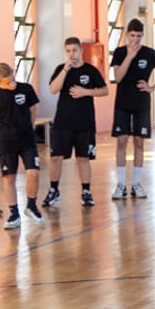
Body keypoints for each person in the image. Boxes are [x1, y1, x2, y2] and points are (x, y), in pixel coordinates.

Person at [109, 19, 155, 200]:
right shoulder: (120, 52)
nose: (135, 39)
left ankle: (136, 183)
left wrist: (152, 87)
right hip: (122, 103)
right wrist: (129, 56)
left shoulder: (149, 53)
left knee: (139, 142)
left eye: (139, 36)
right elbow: (118, 78)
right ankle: (121, 184)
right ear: (127, 34)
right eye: (132, 35)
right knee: (121, 141)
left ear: (142, 36)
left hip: (141, 103)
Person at [45, 37, 108, 210]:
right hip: (63, 121)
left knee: (83, 158)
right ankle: (54, 190)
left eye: (74, 50)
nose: (71, 54)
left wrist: (85, 92)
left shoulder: (90, 70)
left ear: (80, 50)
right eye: (68, 51)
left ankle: (86, 192)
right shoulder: (61, 69)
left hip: (84, 122)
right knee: (56, 157)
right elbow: (53, 89)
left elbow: (104, 90)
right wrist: (65, 70)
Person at [0, 62, 46, 230]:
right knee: (9, 177)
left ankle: (31, 206)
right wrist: (7, 132)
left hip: (27, 140)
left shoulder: (26, 89)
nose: (11, 85)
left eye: (12, 80)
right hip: (7, 142)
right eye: (7, 83)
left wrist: (28, 128)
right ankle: (13, 213)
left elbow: (33, 111)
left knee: (33, 173)